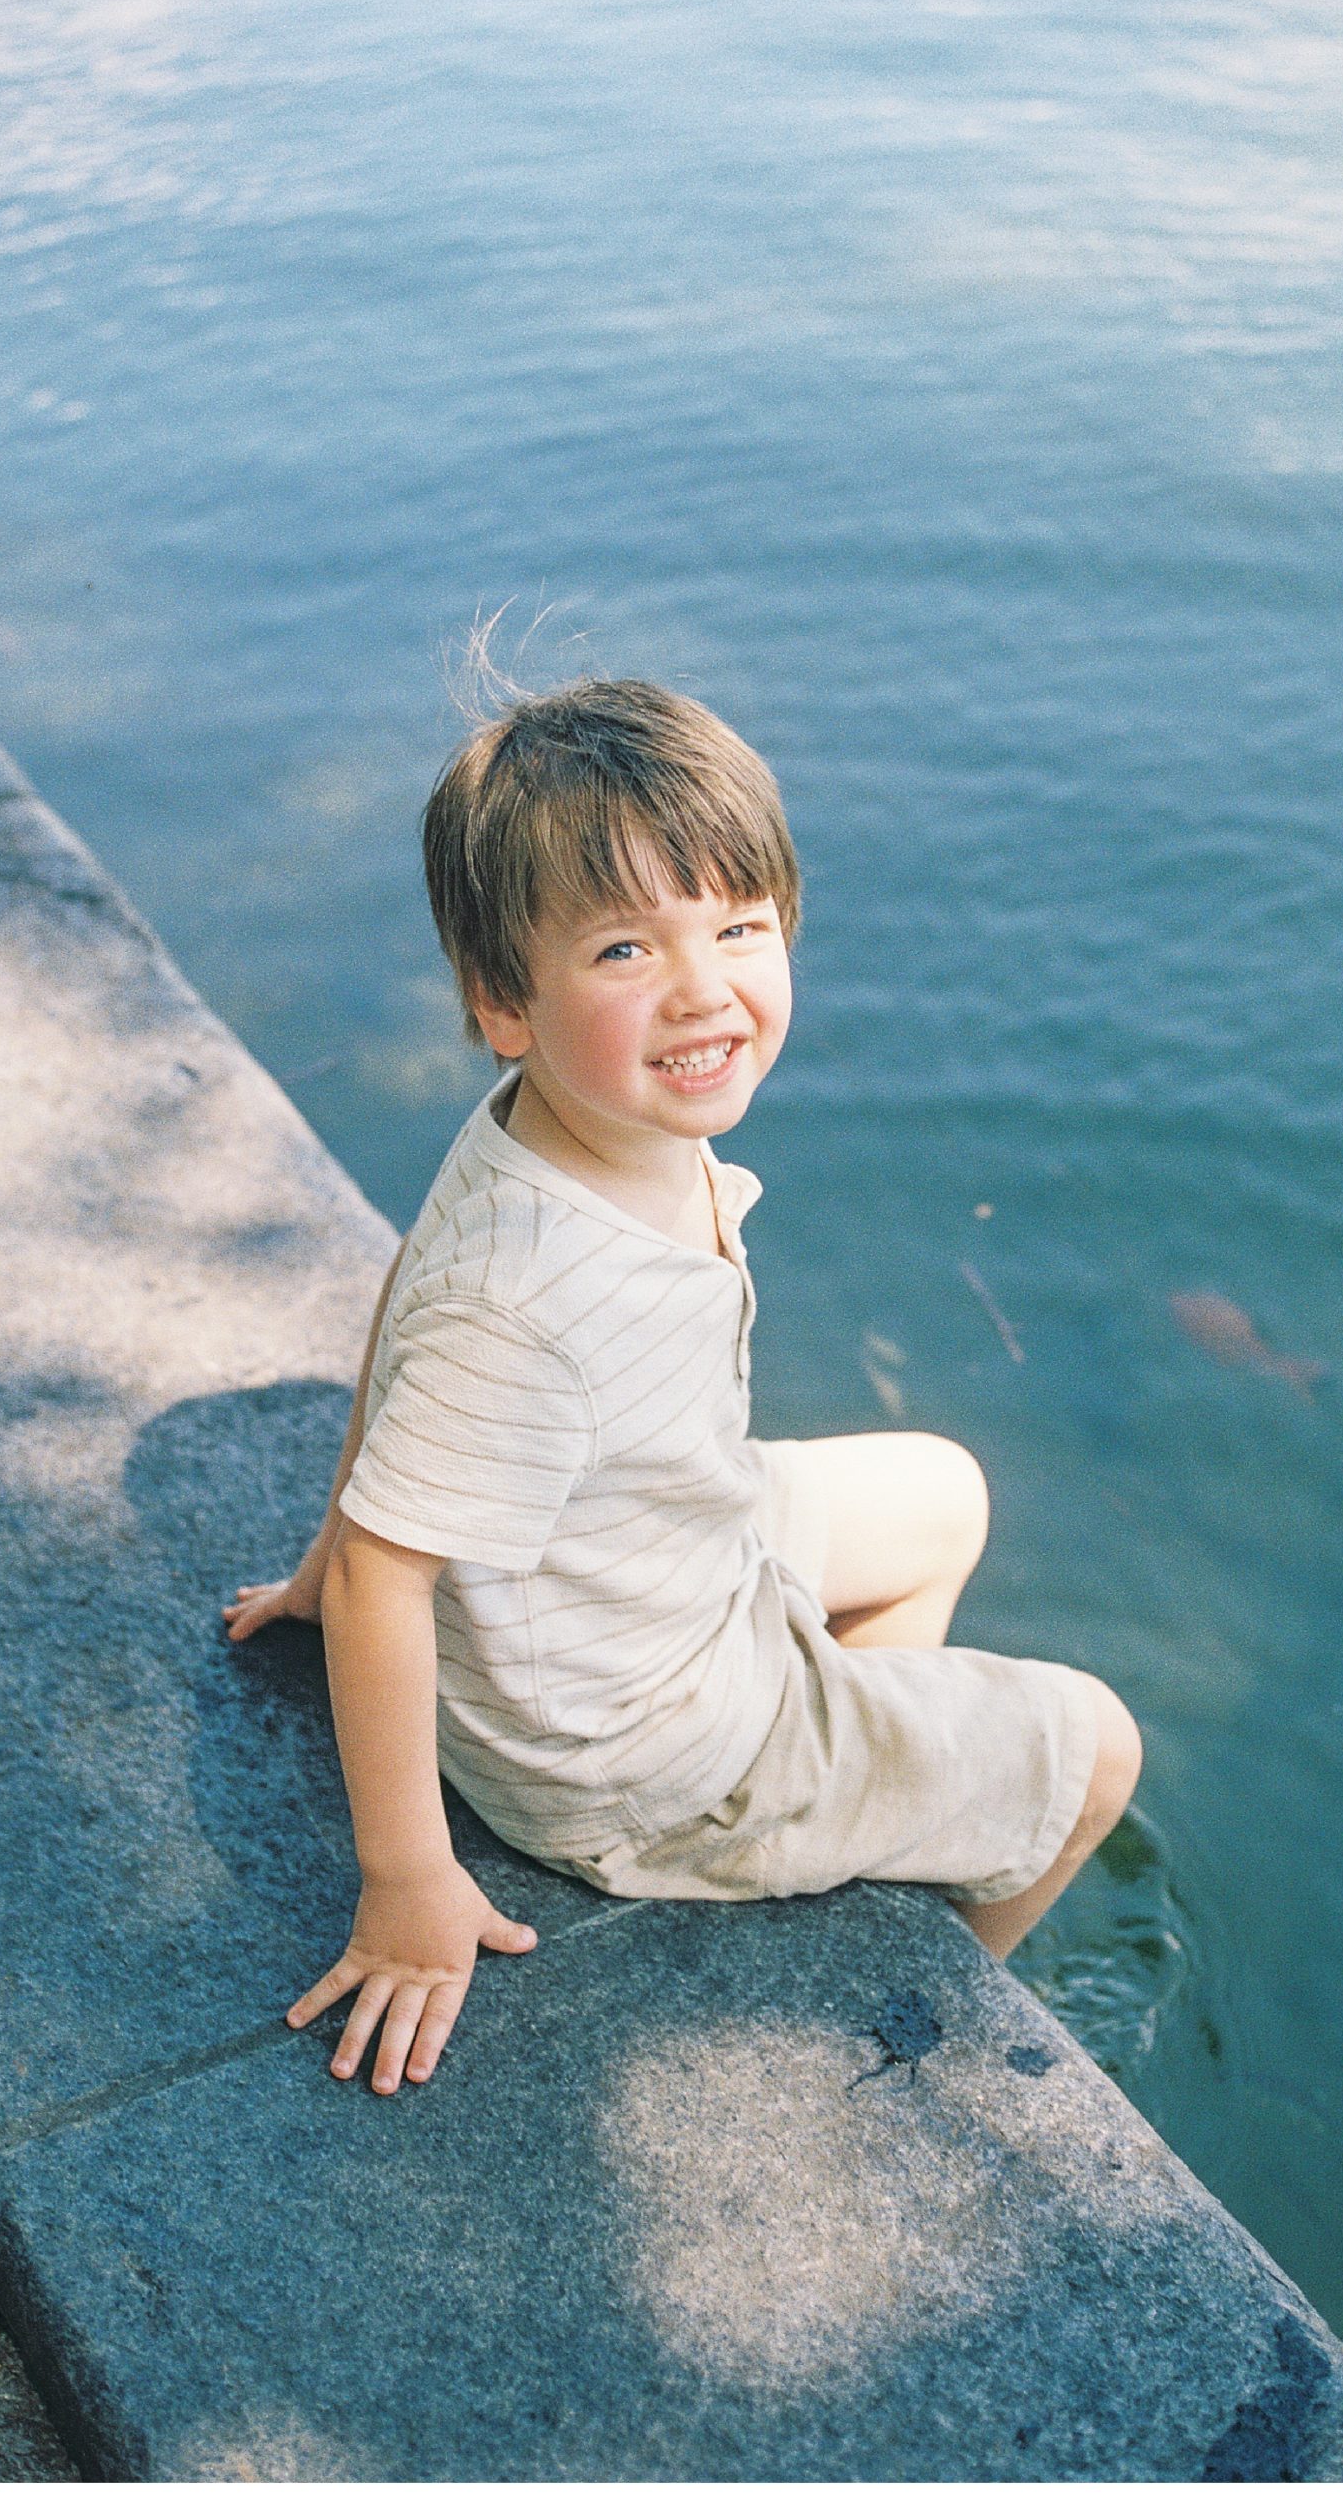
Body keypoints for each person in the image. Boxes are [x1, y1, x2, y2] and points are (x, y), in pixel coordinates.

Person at [222, 676, 1141, 2096]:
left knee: (941, 1495)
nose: (702, 987)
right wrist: (407, 1877)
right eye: (621, 949)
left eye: (736, 927)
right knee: (1091, 1748)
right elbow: (390, 1574)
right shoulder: (533, 1299)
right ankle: (921, 2043)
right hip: (637, 1745)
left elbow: (393, 1335)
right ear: (501, 1002)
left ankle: (855, 1828)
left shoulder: (565, 1129)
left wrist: (312, 1557)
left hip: (648, 1555)